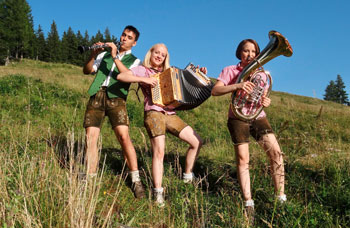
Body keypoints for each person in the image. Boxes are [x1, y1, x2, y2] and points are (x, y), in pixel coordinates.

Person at [117, 43, 204, 207]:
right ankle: (158, 194)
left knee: (196, 141)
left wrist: (199, 75)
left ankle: (187, 176)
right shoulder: (143, 69)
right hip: (153, 113)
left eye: (163, 54)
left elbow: (188, 84)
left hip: (170, 114)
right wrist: (143, 79)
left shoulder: (169, 73)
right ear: (151, 53)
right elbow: (122, 77)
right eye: (156, 52)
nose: (159, 56)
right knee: (159, 151)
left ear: (166, 58)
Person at [211, 39, 286, 222]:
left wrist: (266, 101)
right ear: (240, 53)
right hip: (237, 118)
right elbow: (215, 90)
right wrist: (237, 85)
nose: (250, 55)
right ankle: (248, 202)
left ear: (258, 54)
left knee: (276, 153)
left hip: (258, 116)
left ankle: (280, 199)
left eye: (253, 51)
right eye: (246, 51)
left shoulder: (261, 74)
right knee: (244, 159)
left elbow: (262, 97)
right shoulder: (230, 70)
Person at [82, 25, 145, 198]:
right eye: (123, 35)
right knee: (91, 138)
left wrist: (115, 56)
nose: (124, 38)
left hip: (117, 98)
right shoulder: (103, 55)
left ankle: (135, 179)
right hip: (97, 95)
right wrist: (93, 54)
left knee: (124, 137)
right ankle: (90, 178)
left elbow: (128, 75)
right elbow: (87, 70)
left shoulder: (135, 61)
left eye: (129, 37)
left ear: (134, 43)